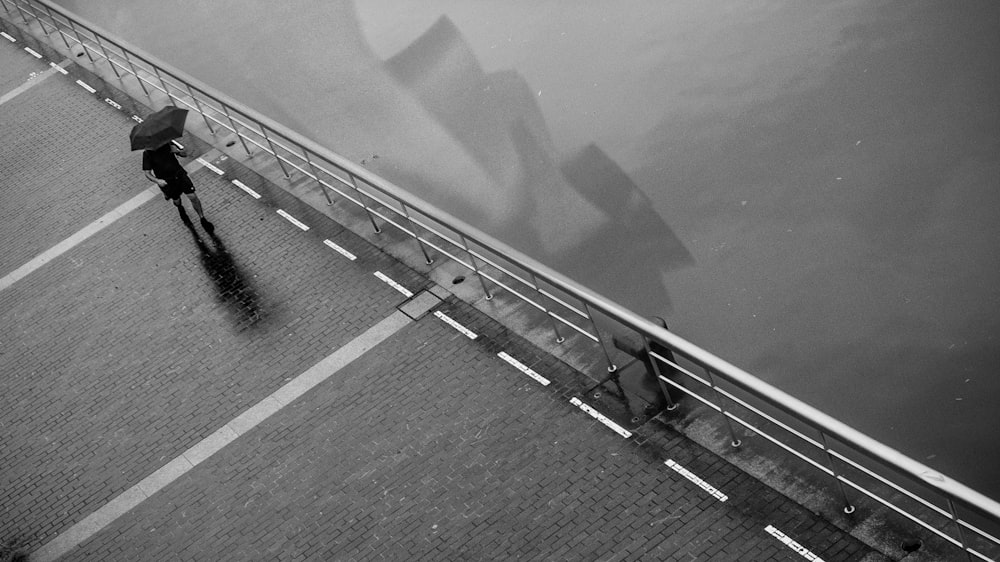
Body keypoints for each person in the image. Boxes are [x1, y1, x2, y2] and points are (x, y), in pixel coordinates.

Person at [142, 142, 213, 232]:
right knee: (176, 200)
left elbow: (185, 154)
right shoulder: (147, 154)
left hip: (180, 175)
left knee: (193, 197)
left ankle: (202, 218)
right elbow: (147, 173)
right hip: (167, 181)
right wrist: (158, 181)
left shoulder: (168, 143)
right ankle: (179, 207)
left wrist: (177, 151)